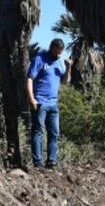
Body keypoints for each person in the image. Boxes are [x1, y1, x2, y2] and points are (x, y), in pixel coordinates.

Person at [26, 38, 72, 169]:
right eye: (56, 52)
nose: (58, 55)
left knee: (54, 133)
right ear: (51, 47)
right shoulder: (40, 59)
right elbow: (29, 78)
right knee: (38, 132)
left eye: (60, 53)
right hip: (40, 102)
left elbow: (64, 81)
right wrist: (31, 98)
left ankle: (51, 161)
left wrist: (68, 67)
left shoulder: (59, 62)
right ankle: (38, 163)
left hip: (53, 103)